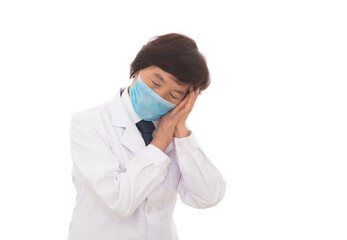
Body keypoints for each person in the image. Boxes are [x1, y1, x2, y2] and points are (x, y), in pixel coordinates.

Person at [67, 33, 226, 240]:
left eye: (174, 95)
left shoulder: (176, 134)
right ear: (137, 69)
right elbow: (119, 201)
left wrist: (180, 132)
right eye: (155, 82)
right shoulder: (89, 123)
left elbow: (208, 196)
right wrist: (159, 142)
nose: (160, 96)